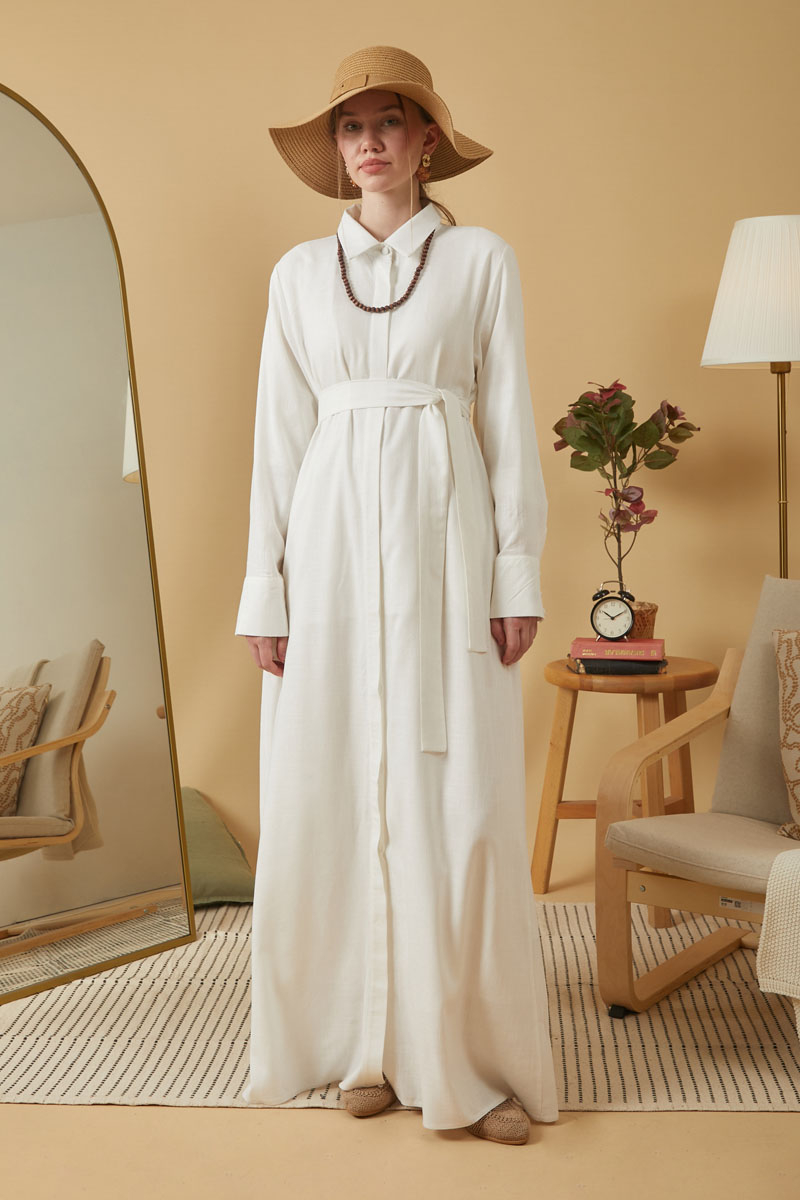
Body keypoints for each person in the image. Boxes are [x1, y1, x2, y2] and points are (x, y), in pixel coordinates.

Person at [234, 44, 559, 1146]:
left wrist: (515, 572)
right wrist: (264, 592)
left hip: (444, 543)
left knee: (457, 801)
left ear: (426, 142)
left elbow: (507, 422)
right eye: (351, 126)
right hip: (325, 547)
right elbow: (278, 441)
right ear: (337, 150)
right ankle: (360, 1045)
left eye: (389, 122)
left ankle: (469, 1062)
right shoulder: (295, 276)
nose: (369, 142)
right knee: (333, 789)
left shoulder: (479, 262)